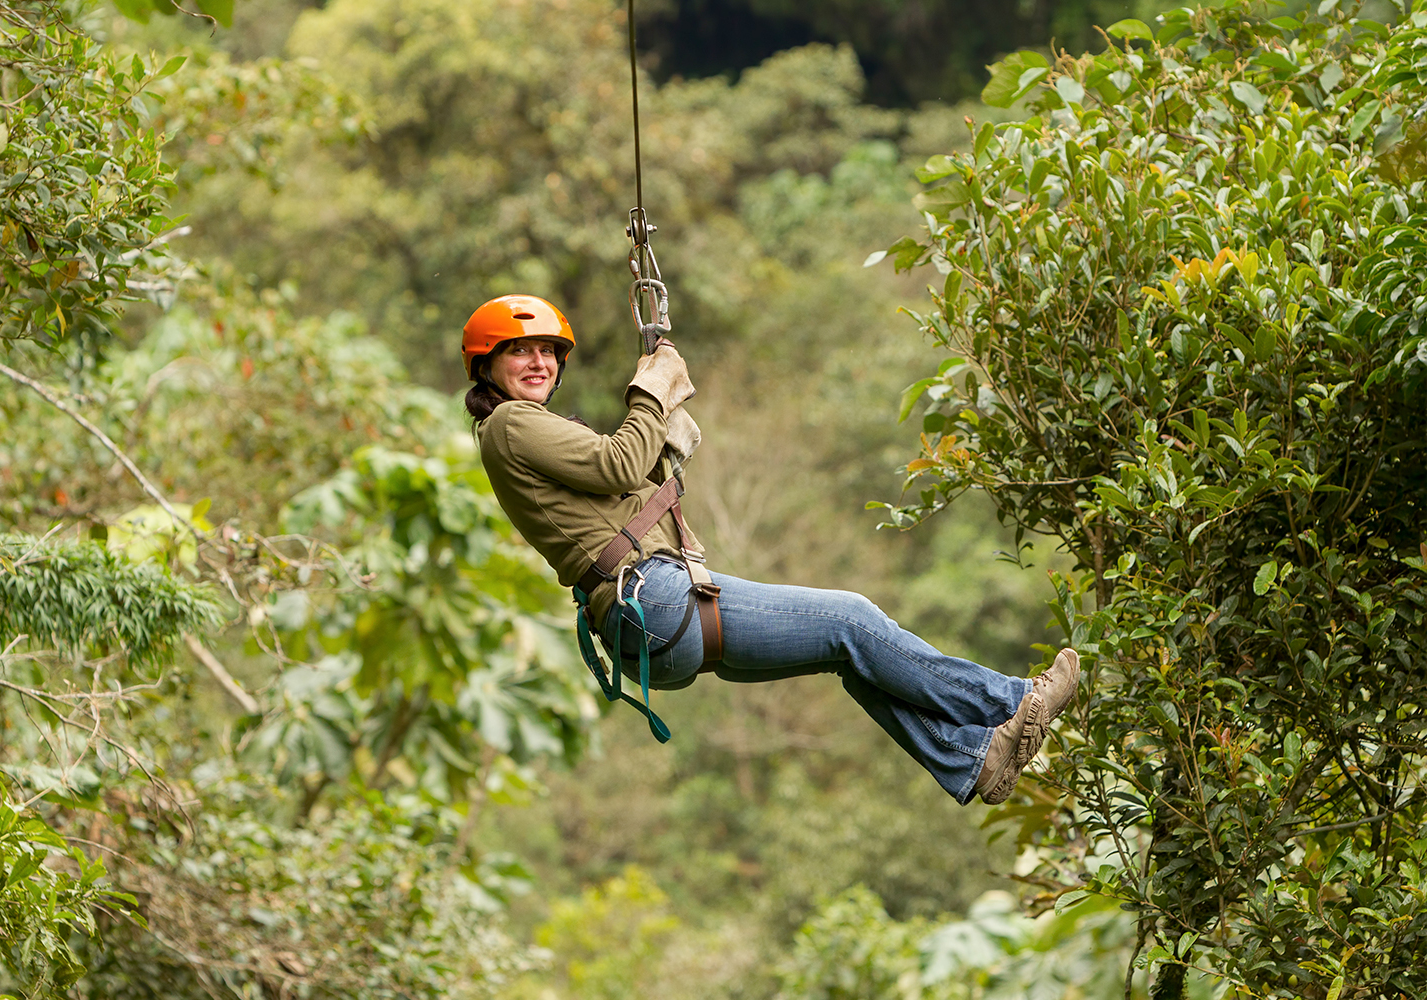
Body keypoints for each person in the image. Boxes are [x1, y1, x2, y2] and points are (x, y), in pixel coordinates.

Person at [462, 293, 1079, 805]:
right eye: (520, 351)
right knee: (850, 617)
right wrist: (649, 395)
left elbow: (619, 485)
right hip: (654, 601)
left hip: (646, 624)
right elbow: (618, 462)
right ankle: (1009, 702)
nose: (538, 362)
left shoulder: (524, 431)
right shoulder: (511, 424)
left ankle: (974, 761)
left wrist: (661, 445)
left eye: (546, 351)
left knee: (850, 652)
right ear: (488, 365)